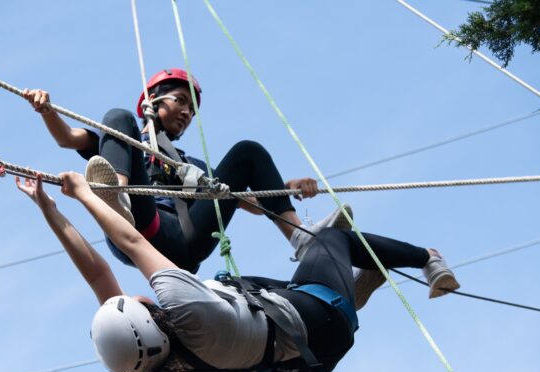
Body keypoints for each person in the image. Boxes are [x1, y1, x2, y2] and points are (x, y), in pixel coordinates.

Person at [16, 171, 461, 372]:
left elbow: (97, 277)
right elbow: (132, 244)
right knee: (334, 240)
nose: (129, 295)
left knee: (269, 303)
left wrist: (47, 209)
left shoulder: (159, 363)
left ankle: (351, 290)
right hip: (320, 319)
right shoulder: (184, 309)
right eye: (132, 303)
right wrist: (82, 195)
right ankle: (426, 257)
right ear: (148, 315)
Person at [22, 68, 330, 274]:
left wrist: (285, 187)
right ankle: (116, 196)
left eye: (192, 110)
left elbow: (246, 201)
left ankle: (302, 239)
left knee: (247, 152)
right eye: (181, 101)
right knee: (118, 117)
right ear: (153, 100)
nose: (187, 112)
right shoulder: (121, 140)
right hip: (140, 223)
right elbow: (67, 138)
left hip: (186, 240)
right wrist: (47, 110)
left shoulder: (190, 166)